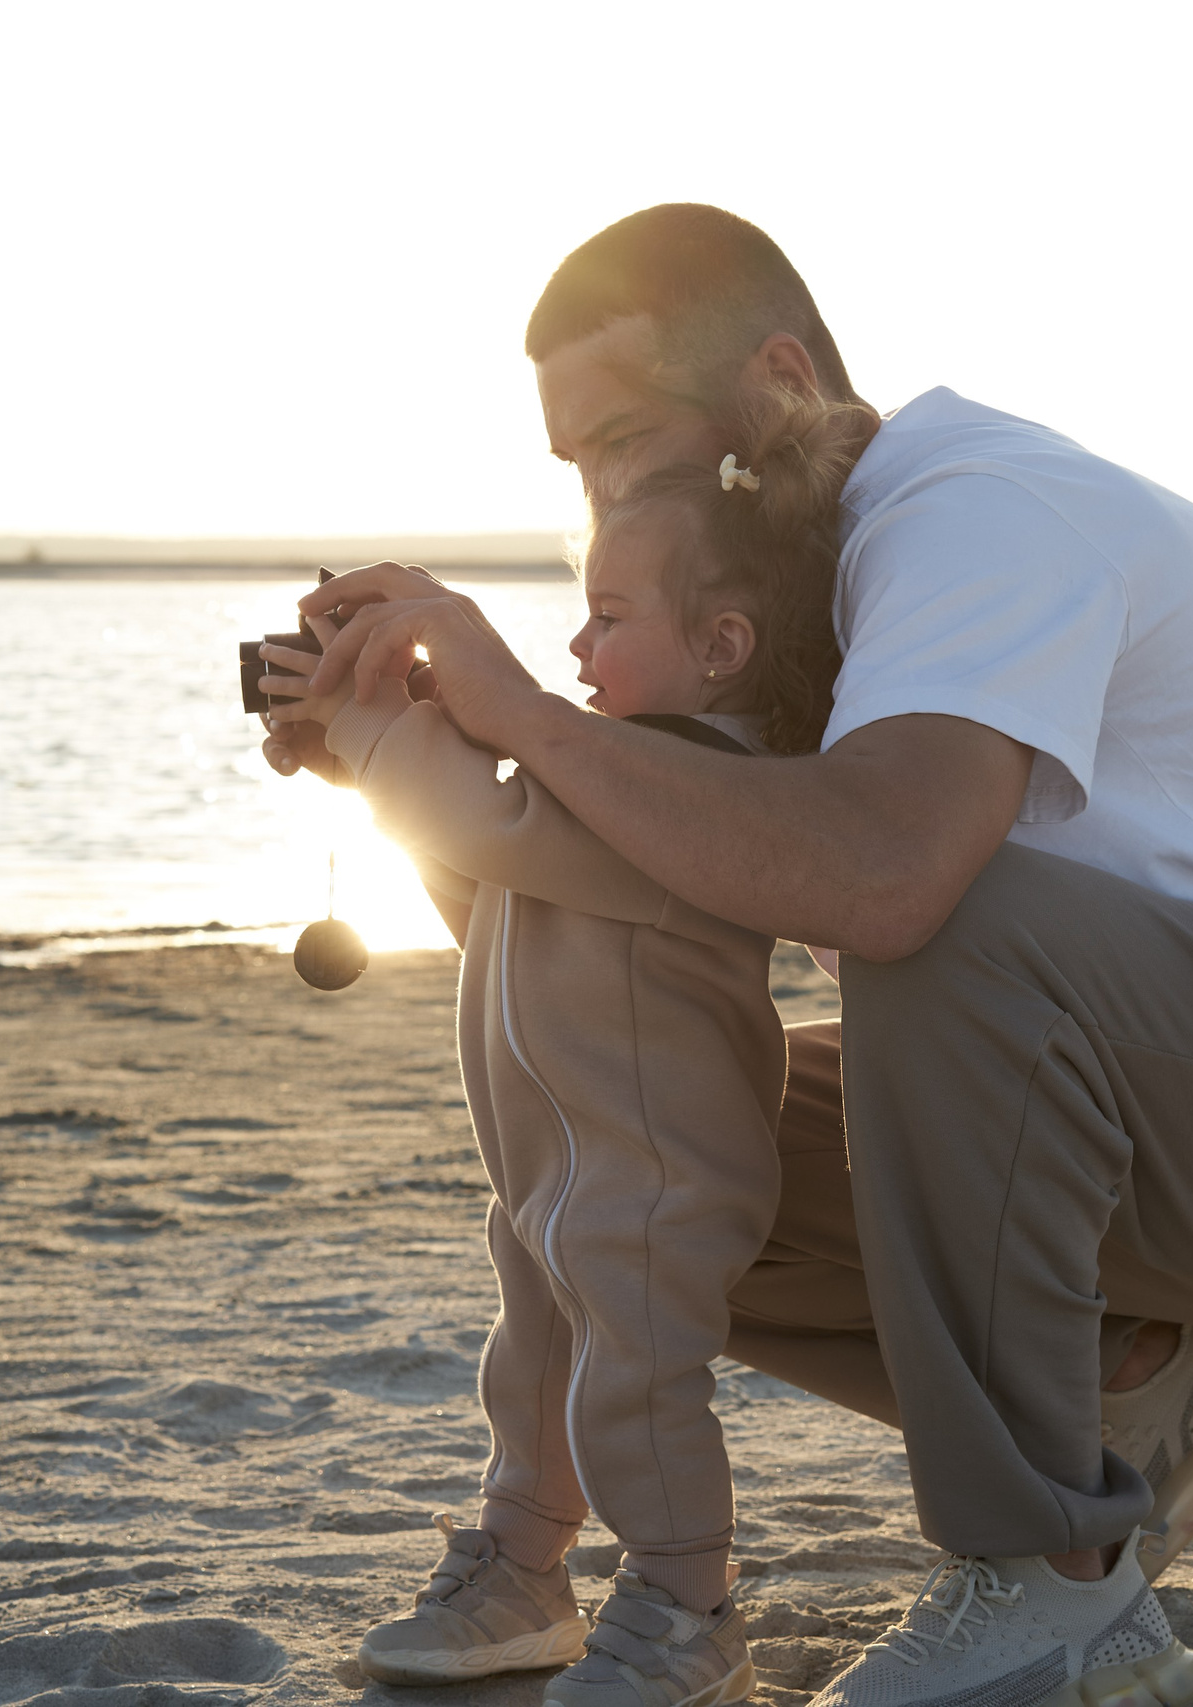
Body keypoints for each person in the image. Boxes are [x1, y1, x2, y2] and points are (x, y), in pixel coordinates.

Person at [268, 204, 1193, 1707]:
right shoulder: (770, 609)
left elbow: (887, 884)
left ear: (780, 383)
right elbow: (600, 932)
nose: (605, 490)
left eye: (625, 437)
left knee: (945, 922)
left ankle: (1050, 1581)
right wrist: (409, 757)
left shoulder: (972, 517)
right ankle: (1140, 1373)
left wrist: (530, 718)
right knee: (629, 1132)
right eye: (577, 465)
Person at [261, 390, 871, 1704]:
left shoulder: (702, 787)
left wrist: (375, 724)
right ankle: (526, 1571)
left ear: (721, 644)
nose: (578, 649)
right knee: (530, 1365)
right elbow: (492, 838)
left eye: (608, 620)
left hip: (659, 1167)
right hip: (553, 1157)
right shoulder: (606, 766)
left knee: (634, 1392)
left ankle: (685, 1605)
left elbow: (490, 820)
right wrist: (356, 730)